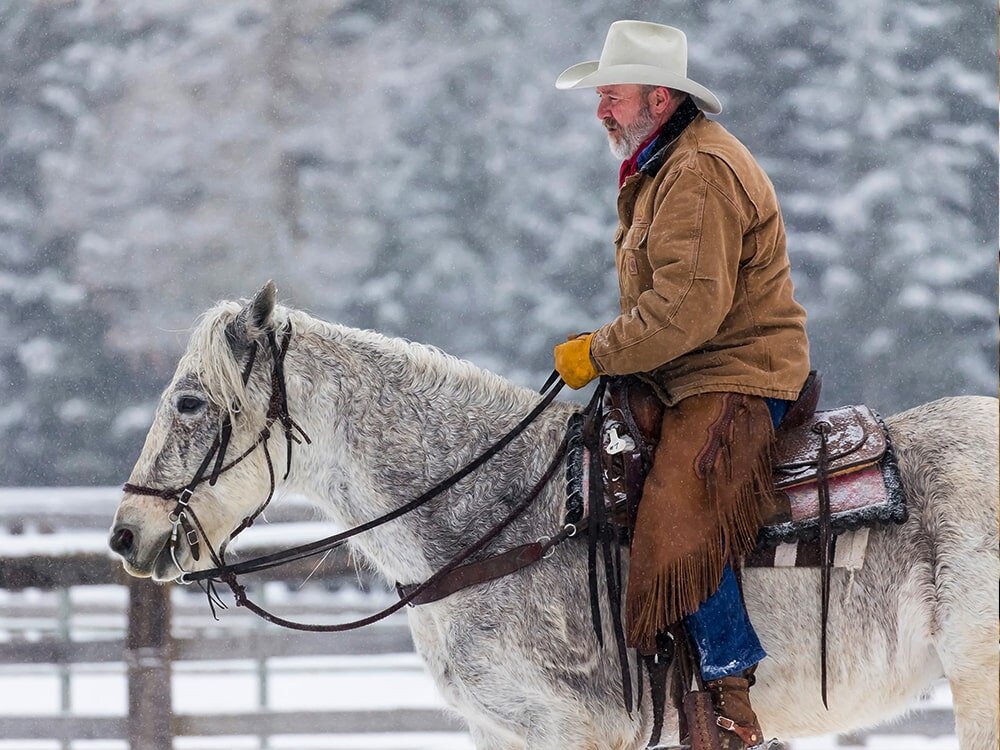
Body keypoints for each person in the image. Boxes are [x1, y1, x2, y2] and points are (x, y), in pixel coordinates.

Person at [552, 20, 810, 749]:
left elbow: (688, 310)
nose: (602, 110)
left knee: (680, 506)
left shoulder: (697, 171)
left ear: (659, 98)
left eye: (612, 95)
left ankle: (731, 693)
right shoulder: (665, 164)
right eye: (600, 96)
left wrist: (599, 353)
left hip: (736, 369)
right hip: (687, 369)